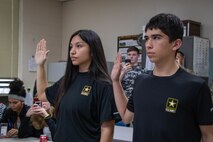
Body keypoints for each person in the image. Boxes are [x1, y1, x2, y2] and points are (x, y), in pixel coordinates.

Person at [111, 13, 213, 142]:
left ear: (176, 44)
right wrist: (115, 81)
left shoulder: (195, 86)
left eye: (156, 37)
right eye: (147, 38)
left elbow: (208, 136)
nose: (148, 44)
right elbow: (126, 117)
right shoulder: (141, 81)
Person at [35, 29, 119, 142]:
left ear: (93, 50)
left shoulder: (103, 85)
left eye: (79, 46)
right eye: (71, 46)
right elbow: (42, 95)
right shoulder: (67, 80)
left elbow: (107, 128)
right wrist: (40, 65)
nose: (72, 51)